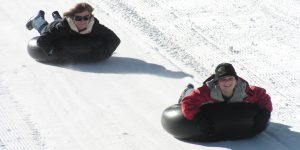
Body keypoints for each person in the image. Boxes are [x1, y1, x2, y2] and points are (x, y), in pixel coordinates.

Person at [180, 62, 272, 133]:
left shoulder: (245, 91)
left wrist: (265, 112)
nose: (227, 82)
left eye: (230, 79)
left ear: (236, 80)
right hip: (201, 100)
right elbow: (188, 102)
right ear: (217, 82)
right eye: (223, 79)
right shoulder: (207, 91)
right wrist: (199, 118)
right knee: (190, 94)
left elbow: (263, 96)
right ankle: (187, 89)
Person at [26, 2, 120, 58]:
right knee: (45, 28)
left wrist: (103, 54)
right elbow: (42, 41)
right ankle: (37, 19)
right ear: (72, 17)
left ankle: (56, 16)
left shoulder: (95, 26)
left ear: (90, 16)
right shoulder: (62, 28)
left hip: (65, 27)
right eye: (78, 18)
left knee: (60, 21)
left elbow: (115, 40)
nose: (83, 21)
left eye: (86, 17)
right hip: (56, 26)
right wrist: (55, 53)